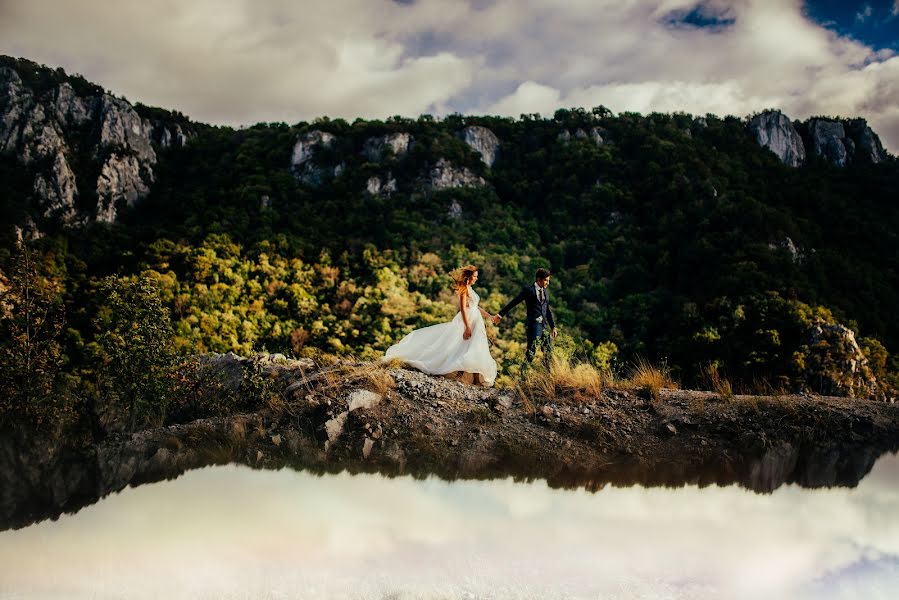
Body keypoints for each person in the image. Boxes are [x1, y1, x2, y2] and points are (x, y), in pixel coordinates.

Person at [383, 265, 498, 386]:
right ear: (469, 277)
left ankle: (472, 377)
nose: (476, 279)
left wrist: (489, 316)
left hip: (476, 320)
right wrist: (467, 327)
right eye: (475, 276)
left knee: (474, 346)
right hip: (468, 320)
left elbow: (476, 307)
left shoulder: (470, 289)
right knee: (463, 345)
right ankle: (463, 375)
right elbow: (463, 309)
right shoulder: (463, 290)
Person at [493, 268, 557, 366]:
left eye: (548, 280)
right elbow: (514, 302)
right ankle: (523, 376)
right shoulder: (529, 290)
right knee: (532, 350)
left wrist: (553, 326)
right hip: (533, 325)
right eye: (546, 280)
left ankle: (547, 377)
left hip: (544, 325)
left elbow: (548, 310)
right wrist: (500, 315)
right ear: (539, 279)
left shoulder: (545, 292)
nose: (548, 283)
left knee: (548, 351)